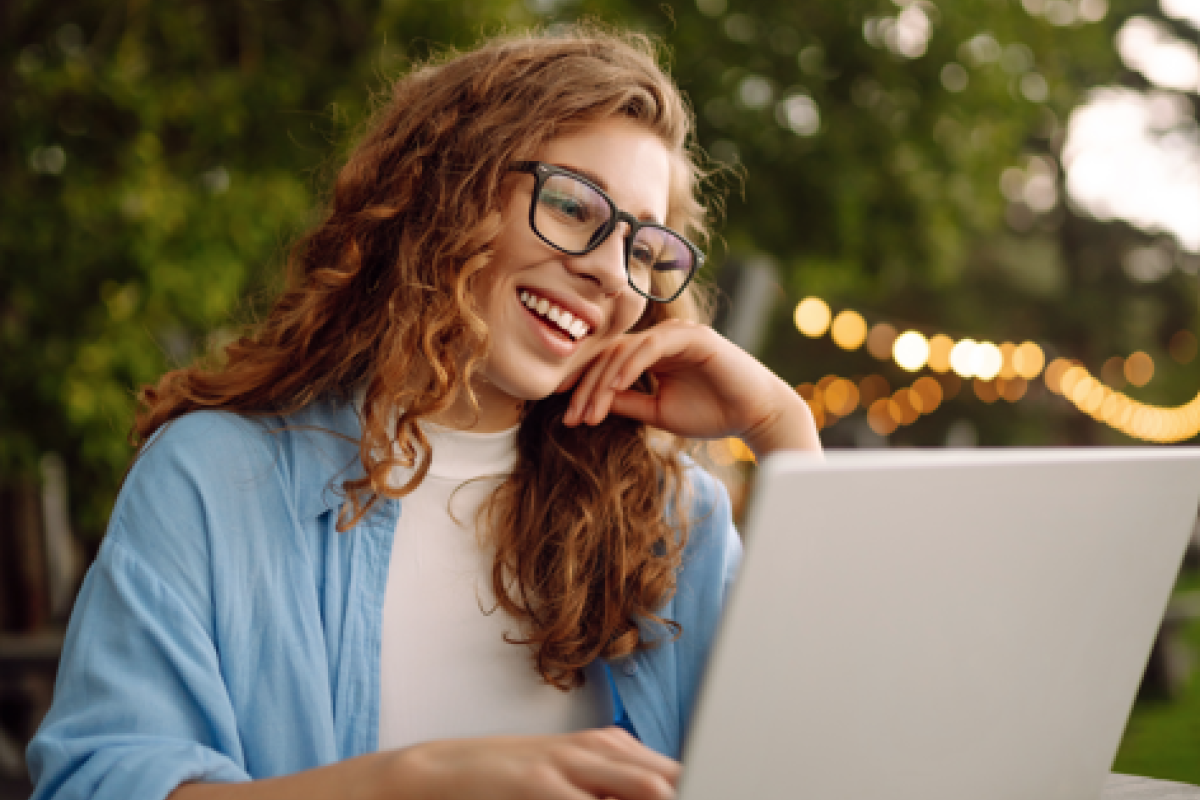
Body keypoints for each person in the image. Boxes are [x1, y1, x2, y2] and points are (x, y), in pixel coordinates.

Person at [27, 24, 821, 800]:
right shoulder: (213, 477)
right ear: (445, 192)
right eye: (577, 207)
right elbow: (99, 779)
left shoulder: (672, 520)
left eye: (647, 251)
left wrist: (784, 434)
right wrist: (407, 784)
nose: (614, 275)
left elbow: (819, 757)